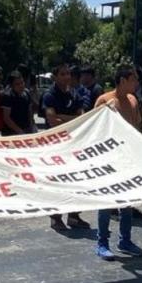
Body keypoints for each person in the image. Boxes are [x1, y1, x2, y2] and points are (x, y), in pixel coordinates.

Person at [93, 65, 142, 260]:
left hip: (127, 159)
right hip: (108, 160)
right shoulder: (104, 100)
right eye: (133, 79)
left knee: (127, 203)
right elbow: (95, 131)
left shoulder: (133, 100)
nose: (137, 83)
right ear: (123, 80)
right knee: (106, 203)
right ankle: (102, 243)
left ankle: (125, 240)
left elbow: (136, 128)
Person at [42, 63, 90, 231]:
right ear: (55, 77)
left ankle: (74, 216)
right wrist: (69, 119)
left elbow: (81, 118)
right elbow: (52, 120)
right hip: (55, 146)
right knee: (58, 182)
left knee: (75, 181)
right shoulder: (49, 95)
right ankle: (55, 218)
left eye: (68, 74)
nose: (66, 77)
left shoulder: (74, 94)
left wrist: (63, 117)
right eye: (62, 74)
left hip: (72, 144)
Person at [1, 70, 35, 136]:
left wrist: (32, 126)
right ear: (11, 85)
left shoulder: (26, 93)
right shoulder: (8, 96)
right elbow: (6, 118)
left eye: (22, 82)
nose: (21, 86)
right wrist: (20, 131)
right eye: (17, 84)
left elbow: (30, 111)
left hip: (27, 129)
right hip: (11, 132)